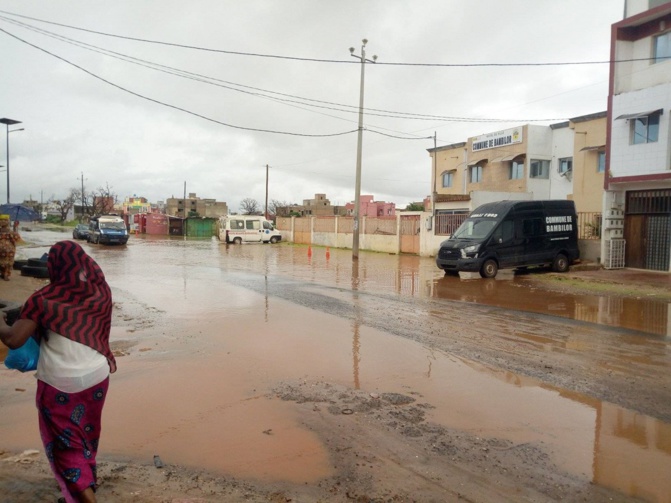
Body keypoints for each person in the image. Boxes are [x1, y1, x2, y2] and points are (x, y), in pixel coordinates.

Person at [0, 240, 116, 503]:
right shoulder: (101, 293)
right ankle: (87, 483)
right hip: (98, 378)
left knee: (66, 449)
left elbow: (14, 340)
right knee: (87, 434)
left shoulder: (44, 300)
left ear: (54, 266)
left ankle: (85, 495)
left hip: (61, 384)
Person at [0, 214, 21, 281]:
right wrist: (15, 228)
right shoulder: (11, 232)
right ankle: (6, 275)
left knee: (1, 261)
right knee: (8, 263)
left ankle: (2, 273)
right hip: (9, 249)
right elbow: (17, 239)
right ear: (8, 222)